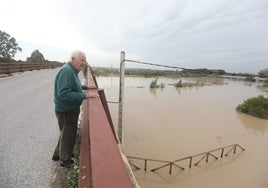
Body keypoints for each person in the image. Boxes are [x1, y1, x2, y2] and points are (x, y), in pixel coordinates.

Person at [52, 50, 97, 168]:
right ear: (73, 59)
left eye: (85, 60)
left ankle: (58, 154)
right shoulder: (67, 71)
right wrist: (84, 95)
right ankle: (65, 160)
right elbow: (63, 94)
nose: (84, 63)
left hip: (69, 108)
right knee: (68, 134)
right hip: (66, 110)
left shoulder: (72, 70)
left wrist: (85, 87)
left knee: (65, 132)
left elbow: (74, 85)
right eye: (82, 60)